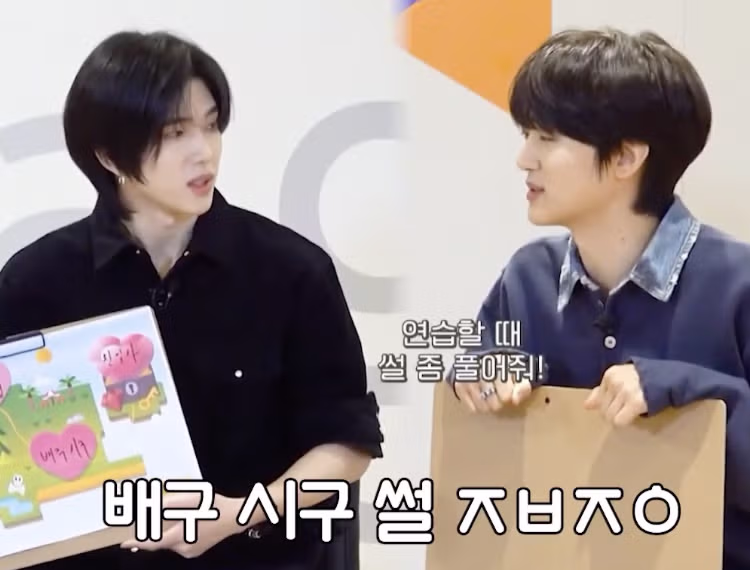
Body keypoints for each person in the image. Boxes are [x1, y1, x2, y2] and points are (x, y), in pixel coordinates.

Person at [0, 30, 384, 570]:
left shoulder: (291, 271)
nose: (204, 151)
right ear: (108, 154)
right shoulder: (35, 281)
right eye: (175, 132)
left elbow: (347, 444)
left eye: (211, 125)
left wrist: (237, 514)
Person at [450, 28, 750, 570]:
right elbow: (478, 381)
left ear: (626, 157)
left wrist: (684, 393)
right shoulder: (528, 277)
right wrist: (480, 374)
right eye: (526, 134)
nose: (524, 158)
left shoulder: (738, 283)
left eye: (546, 137)